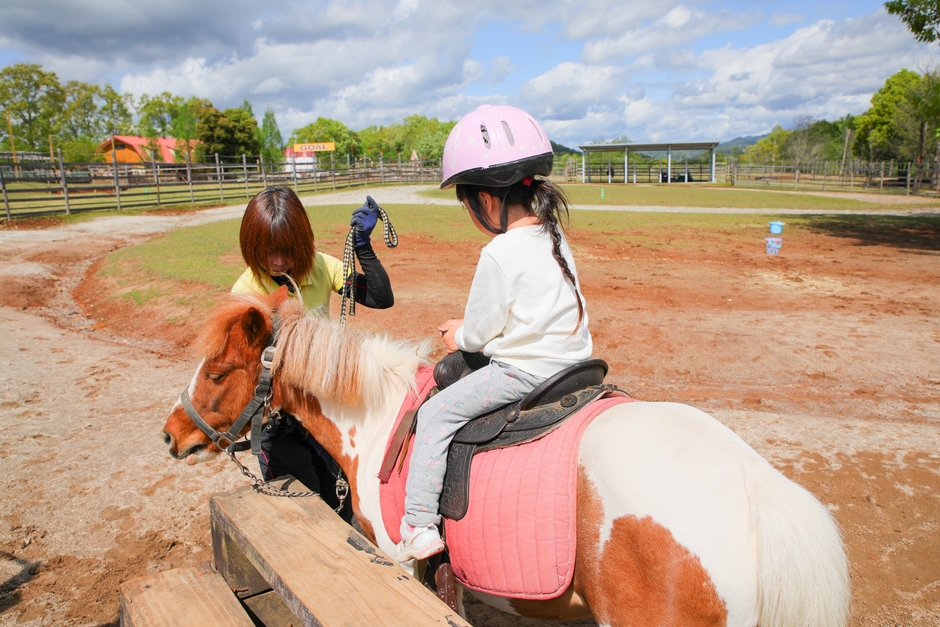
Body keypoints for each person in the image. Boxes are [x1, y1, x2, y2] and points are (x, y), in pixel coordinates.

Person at [396, 105, 592, 561]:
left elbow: (482, 332)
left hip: (526, 373)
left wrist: (458, 336)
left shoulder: (499, 252)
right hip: (576, 364)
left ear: (485, 201)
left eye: (467, 204)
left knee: (436, 414)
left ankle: (418, 524)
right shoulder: (553, 235)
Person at [233, 186, 394, 522]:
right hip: (279, 419)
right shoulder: (246, 291)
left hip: (325, 411)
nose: (278, 261)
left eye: (287, 250)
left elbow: (380, 298)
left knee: (344, 504)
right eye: (268, 252)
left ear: (302, 243)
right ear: (252, 246)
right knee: (303, 513)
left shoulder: (320, 266)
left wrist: (362, 247)